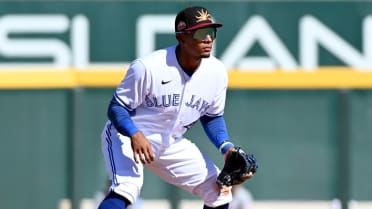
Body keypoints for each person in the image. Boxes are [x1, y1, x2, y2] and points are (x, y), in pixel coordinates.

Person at [97, 6, 254, 209]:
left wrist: (225, 146)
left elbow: (212, 116)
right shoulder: (148, 67)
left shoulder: (216, 72)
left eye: (211, 32)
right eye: (201, 33)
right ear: (182, 37)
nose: (208, 39)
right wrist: (134, 134)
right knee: (127, 187)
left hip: (170, 141)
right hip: (127, 135)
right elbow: (117, 107)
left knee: (218, 192)